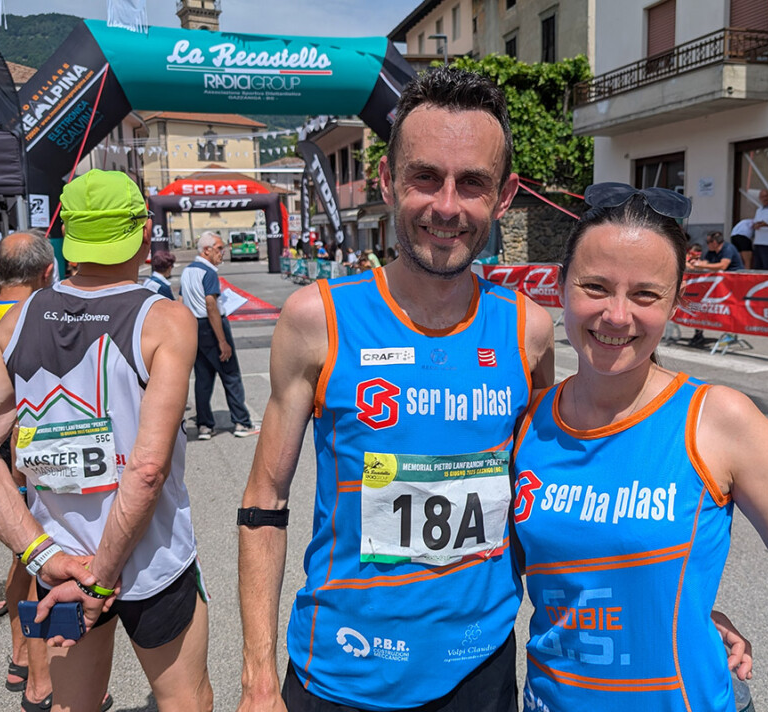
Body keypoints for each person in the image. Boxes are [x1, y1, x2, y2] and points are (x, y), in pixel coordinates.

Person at [237, 66, 556, 712]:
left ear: (504, 196)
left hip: (479, 671)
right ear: (387, 180)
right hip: (343, 673)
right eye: (425, 177)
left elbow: (554, 497)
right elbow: (265, 500)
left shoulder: (529, 331)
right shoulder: (317, 319)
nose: (447, 206)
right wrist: (258, 679)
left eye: (472, 183)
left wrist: (690, 609)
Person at [512, 182, 768, 712]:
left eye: (645, 295)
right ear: (560, 286)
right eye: (596, 287)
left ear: (676, 301)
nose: (617, 315)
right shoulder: (528, 424)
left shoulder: (718, 421)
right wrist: (678, 610)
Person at [0, 169, 213, 711]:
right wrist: (101, 578)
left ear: (67, 233)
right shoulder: (165, 319)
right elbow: (146, 470)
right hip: (151, 561)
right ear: (144, 232)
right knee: (188, 702)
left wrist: (41, 555)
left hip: (61, 563)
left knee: (73, 705)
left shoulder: (17, 319)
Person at [0, 232, 73, 707]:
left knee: (21, 558)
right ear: (47, 272)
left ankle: (21, 656)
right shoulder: (38, 315)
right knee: (46, 558)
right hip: (31, 447)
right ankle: (46, 679)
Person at [180, 231, 258, 440]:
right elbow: (211, 304)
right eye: (219, 248)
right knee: (230, 375)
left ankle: (205, 425)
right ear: (206, 250)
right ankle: (241, 422)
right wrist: (222, 340)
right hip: (211, 325)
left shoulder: (187, 271)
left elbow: (180, 300)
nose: (222, 253)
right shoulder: (208, 272)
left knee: (203, 378)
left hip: (194, 325)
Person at [687, 231, 745, 347]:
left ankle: (730, 335)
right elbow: (705, 263)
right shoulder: (712, 252)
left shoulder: (728, 249)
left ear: (714, 242)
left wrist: (701, 265)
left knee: (729, 308)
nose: (706, 244)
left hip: (734, 284)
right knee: (702, 305)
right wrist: (693, 263)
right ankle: (698, 333)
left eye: (708, 242)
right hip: (719, 284)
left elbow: (723, 265)